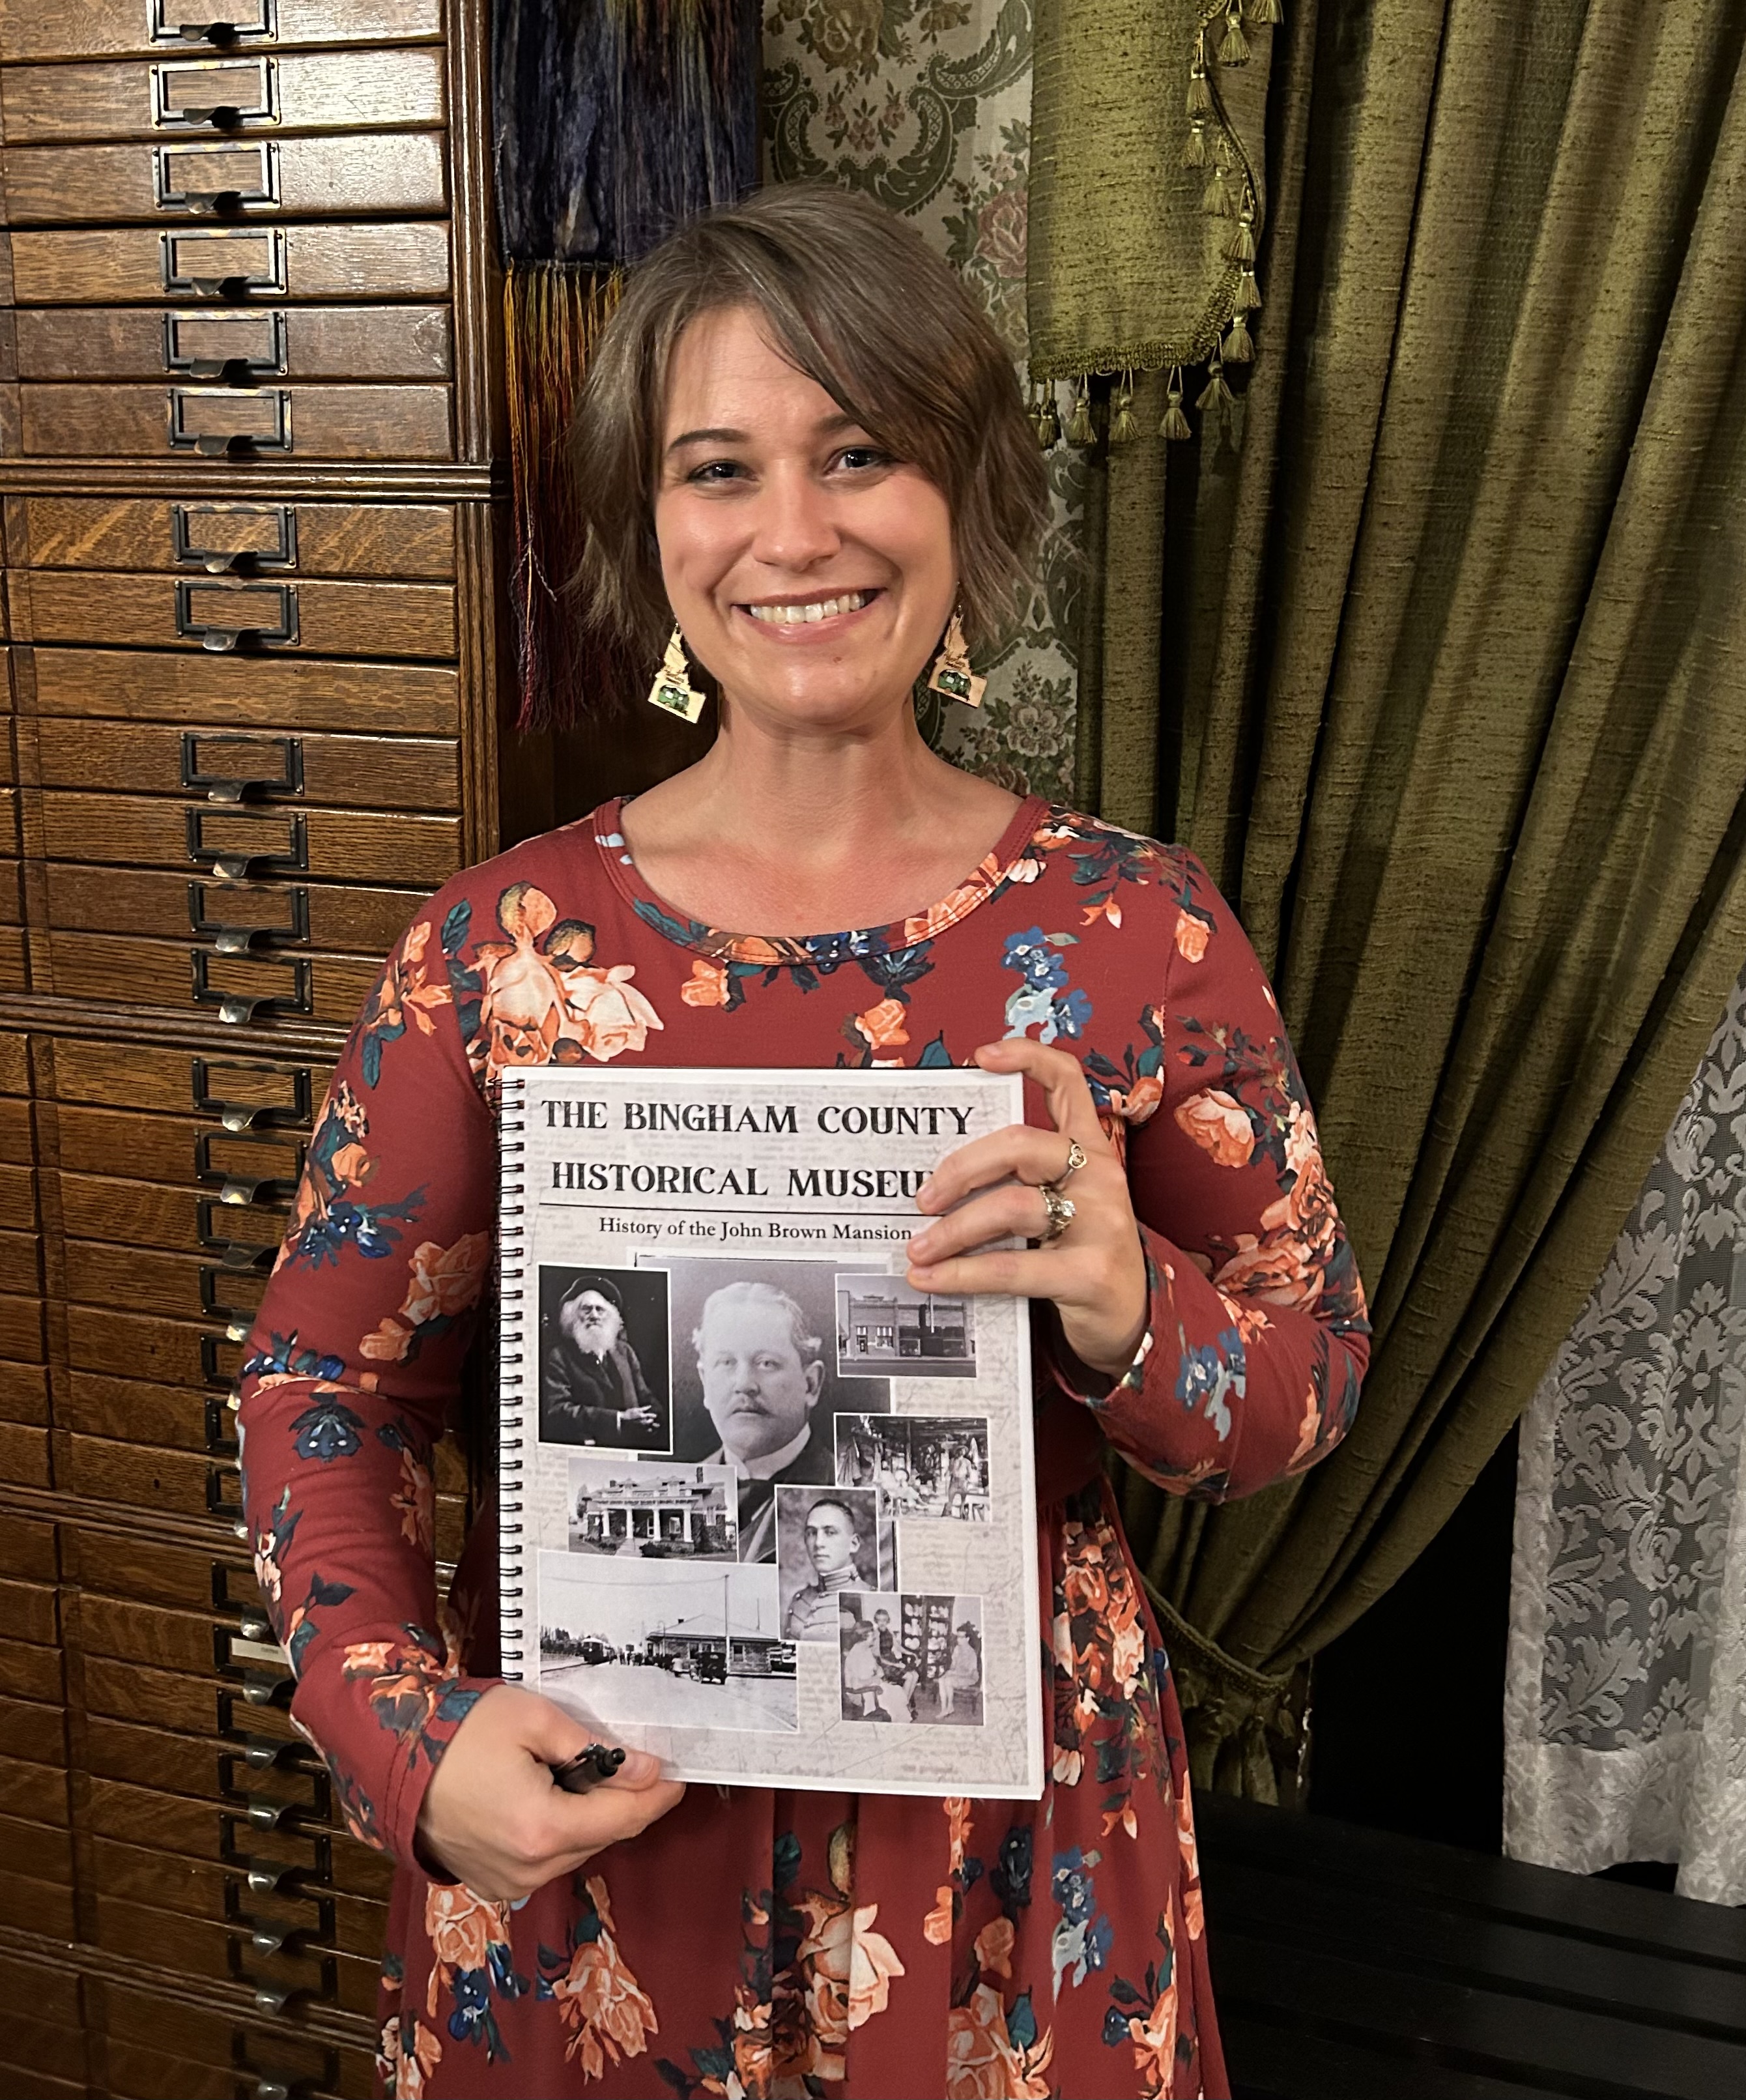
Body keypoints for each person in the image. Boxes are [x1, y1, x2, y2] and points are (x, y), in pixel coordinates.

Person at [238, 182, 1370, 2098]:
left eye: (859, 453)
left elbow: (1303, 1384)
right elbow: (316, 1385)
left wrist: (1128, 1305)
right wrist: (398, 1734)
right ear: (650, 525)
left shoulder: (1132, 932)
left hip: (1011, 1878)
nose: (791, 531)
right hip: (597, 1852)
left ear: (970, 497)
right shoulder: (495, 957)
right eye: (716, 466)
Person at [693, 1278, 831, 1558]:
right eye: (726, 1363)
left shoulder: (843, 1488)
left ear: (811, 1384)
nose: (744, 1384)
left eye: (766, 1363)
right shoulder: (684, 1489)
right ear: (705, 1381)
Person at [540, 1276, 663, 1447]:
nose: (594, 1316)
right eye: (586, 1309)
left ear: (610, 1316)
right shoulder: (560, 1357)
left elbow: (645, 1395)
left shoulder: (624, 1351)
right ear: (573, 1317)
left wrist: (653, 1419)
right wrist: (619, 1420)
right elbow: (557, 1411)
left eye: (600, 1309)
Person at [781, 1497, 866, 1641]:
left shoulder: (867, 1596)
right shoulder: (800, 1600)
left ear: (853, 1544)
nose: (818, 1543)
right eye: (811, 1533)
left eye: (830, 1532)